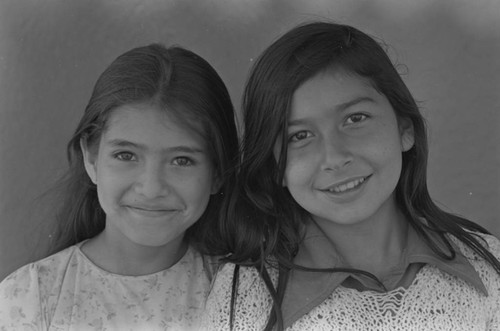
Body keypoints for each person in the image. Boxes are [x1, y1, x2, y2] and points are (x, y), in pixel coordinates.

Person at [203, 22, 500, 330]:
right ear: (275, 167)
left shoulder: (487, 263)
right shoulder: (245, 296)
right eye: (300, 135)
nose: (334, 157)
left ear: (405, 129)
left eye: (355, 119)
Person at [0, 44, 239, 330]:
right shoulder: (31, 298)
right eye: (126, 156)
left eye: (182, 160)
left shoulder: (239, 294)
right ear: (91, 158)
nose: (151, 188)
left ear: (217, 172)